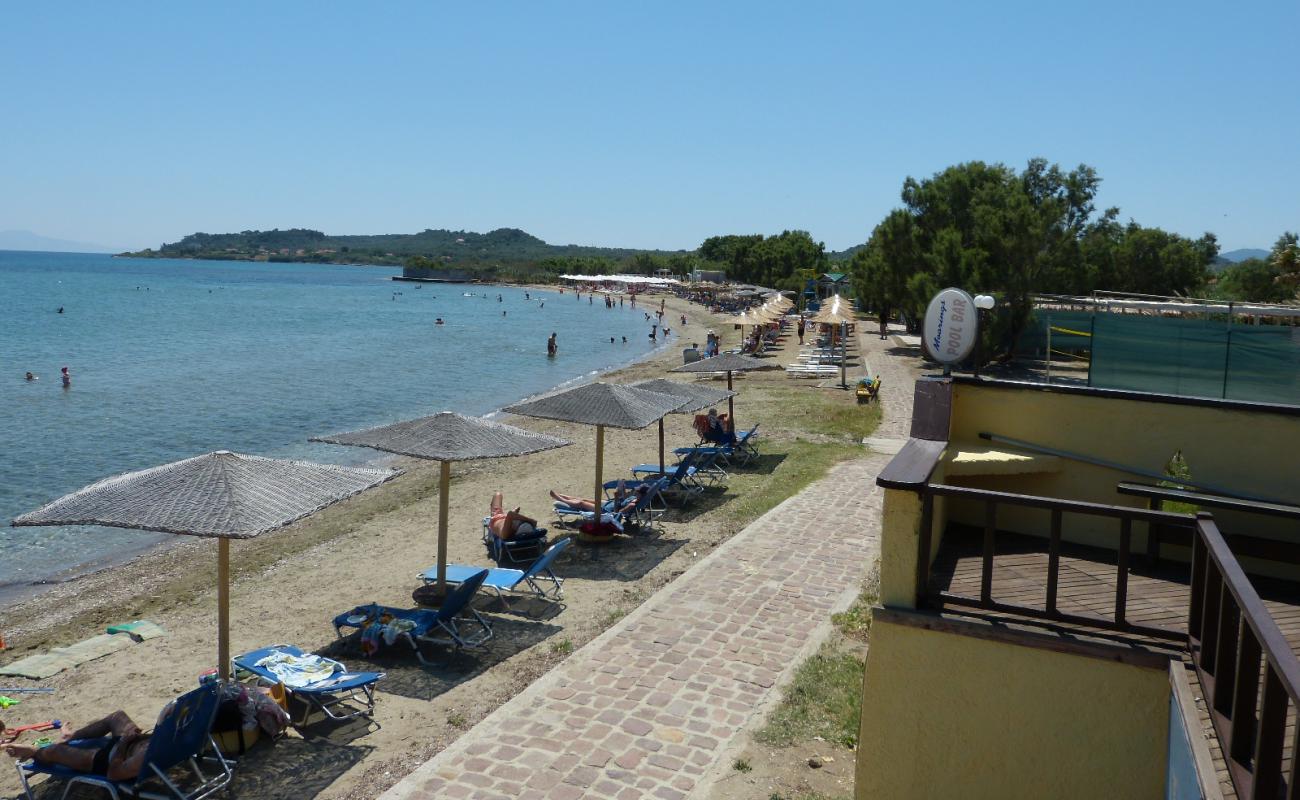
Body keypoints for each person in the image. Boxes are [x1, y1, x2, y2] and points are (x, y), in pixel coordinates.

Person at [4, 708, 157, 781]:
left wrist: (123, 744)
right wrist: (136, 737)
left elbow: (114, 774)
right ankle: (71, 736)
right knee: (117, 716)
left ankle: (33, 751)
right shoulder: (172, 735)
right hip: (132, 743)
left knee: (55, 751)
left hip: (110, 760)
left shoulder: (143, 757)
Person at [549, 482, 646, 515]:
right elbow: (624, 499)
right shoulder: (634, 498)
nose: (635, 491)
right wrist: (623, 490)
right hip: (608, 504)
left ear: (640, 494)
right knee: (584, 499)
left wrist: (616, 498)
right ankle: (562, 495)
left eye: (637, 491)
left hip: (606, 511)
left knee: (582, 503)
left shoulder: (632, 504)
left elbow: (617, 513)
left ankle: (560, 499)